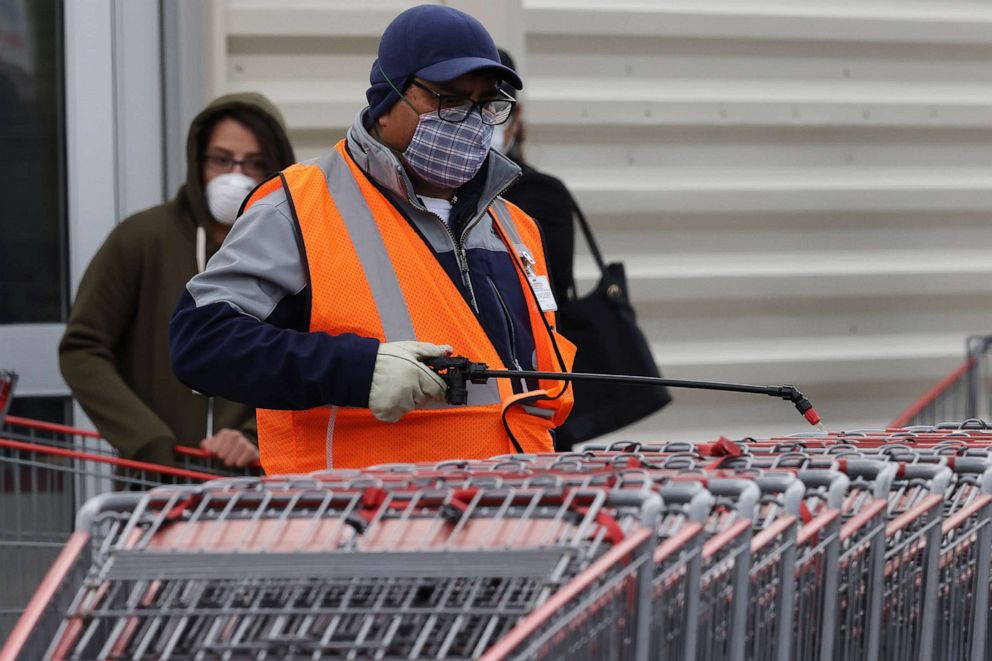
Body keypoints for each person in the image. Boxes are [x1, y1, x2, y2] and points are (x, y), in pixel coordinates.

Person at [169, 5, 575, 473]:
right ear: (386, 103)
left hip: (510, 515)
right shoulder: (299, 208)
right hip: (359, 527)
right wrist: (358, 371)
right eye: (450, 100)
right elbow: (200, 341)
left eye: (487, 105)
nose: (473, 122)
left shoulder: (514, 226)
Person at [60, 93, 296, 467]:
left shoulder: (294, 253)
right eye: (221, 160)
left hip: (253, 485)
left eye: (255, 164)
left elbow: (307, 356)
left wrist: (253, 436)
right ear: (197, 161)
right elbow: (83, 348)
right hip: (153, 485)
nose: (236, 175)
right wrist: (146, 438)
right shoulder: (141, 239)